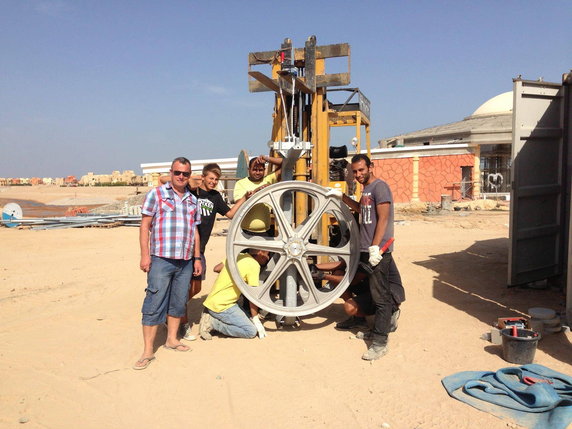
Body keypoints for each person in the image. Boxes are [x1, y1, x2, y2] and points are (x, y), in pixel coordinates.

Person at [327, 153, 400, 361]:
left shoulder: (380, 187)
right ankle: (376, 328)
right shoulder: (366, 190)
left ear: (371, 167)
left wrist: (376, 247)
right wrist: (342, 198)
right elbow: (362, 211)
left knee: (380, 296)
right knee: (367, 289)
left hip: (378, 251)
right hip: (367, 249)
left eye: (361, 170)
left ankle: (380, 342)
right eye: (355, 172)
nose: (358, 175)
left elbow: (383, 218)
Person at [133, 157, 202, 370]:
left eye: (185, 174)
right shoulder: (157, 194)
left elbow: (195, 231)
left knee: (179, 301)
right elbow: (145, 226)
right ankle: (148, 351)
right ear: (171, 173)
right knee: (154, 300)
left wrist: (197, 257)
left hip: (185, 260)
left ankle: (172, 339)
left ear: (189, 176)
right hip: (161, 258)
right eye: (177, 173)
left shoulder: (192, 200)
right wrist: (145, 255)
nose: (181, 177)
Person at [178, 163, 251, 341]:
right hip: (185, 246)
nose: (213, 182)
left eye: (216, 179)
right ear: (203, 177)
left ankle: (174, 305)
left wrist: (244, 198)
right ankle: (181, 322)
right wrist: (191, 178)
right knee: (183, 287)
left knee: (196, 288)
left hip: (200, 249)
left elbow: (231, 214)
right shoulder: (191, 191)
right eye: (211, 178)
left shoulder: (215, 196)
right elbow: (164, 180)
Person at [198, 249, 270, 340]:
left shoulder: (238, 256)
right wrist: (256, 319)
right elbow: (252, 296)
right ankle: (212, 323)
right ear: (260, 252)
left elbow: (216, 268)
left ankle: (210, 314)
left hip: (214, 301)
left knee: (248, 320)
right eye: (267, 254)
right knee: (250, 331)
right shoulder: (254, 265)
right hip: (223, 306)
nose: (268, 258)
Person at [233, 154, 283, 234]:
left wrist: (267, 158)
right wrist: (256, 192)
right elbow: (239, 205)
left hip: (267, 231)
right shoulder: (240, 183)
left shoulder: (268, 179)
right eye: (254, 170)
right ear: (248, 170)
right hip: (246, 232)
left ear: (264, 170)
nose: (257, 172)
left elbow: (285, 163)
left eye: (260, 170)